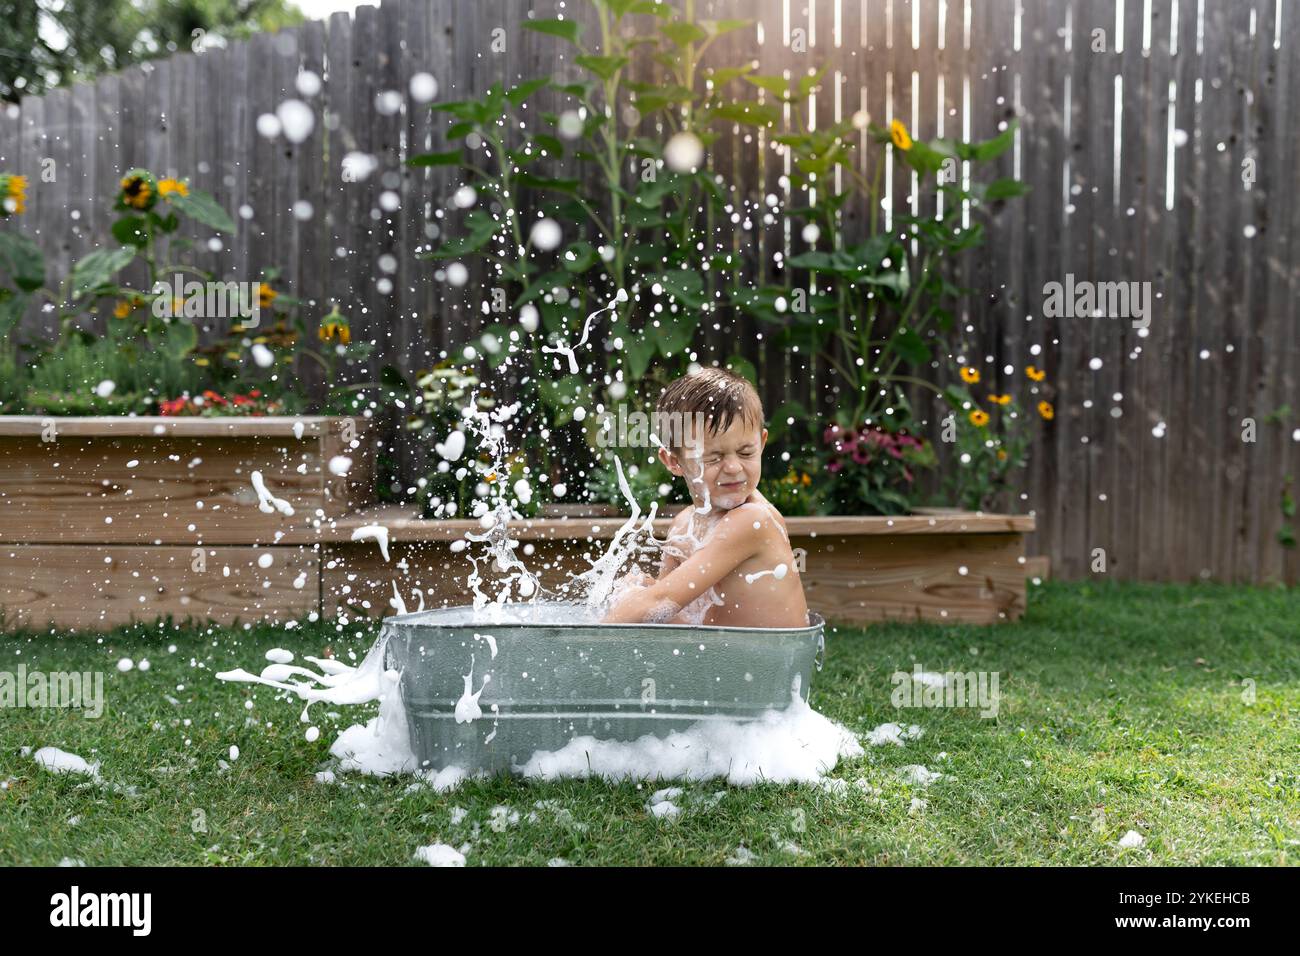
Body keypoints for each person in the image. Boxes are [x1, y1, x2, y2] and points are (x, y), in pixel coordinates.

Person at [602, 366, 809, 628]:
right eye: (713, 457)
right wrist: (635, 594)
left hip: (768, 664)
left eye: (746, 453)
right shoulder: (682, 524)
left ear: (762, 442)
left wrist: (584, 643)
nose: (733, 467)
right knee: (634, 588)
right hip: (722, 657)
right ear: (673, 461)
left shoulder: (753, 520)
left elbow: (658, 601)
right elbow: (665, 607)